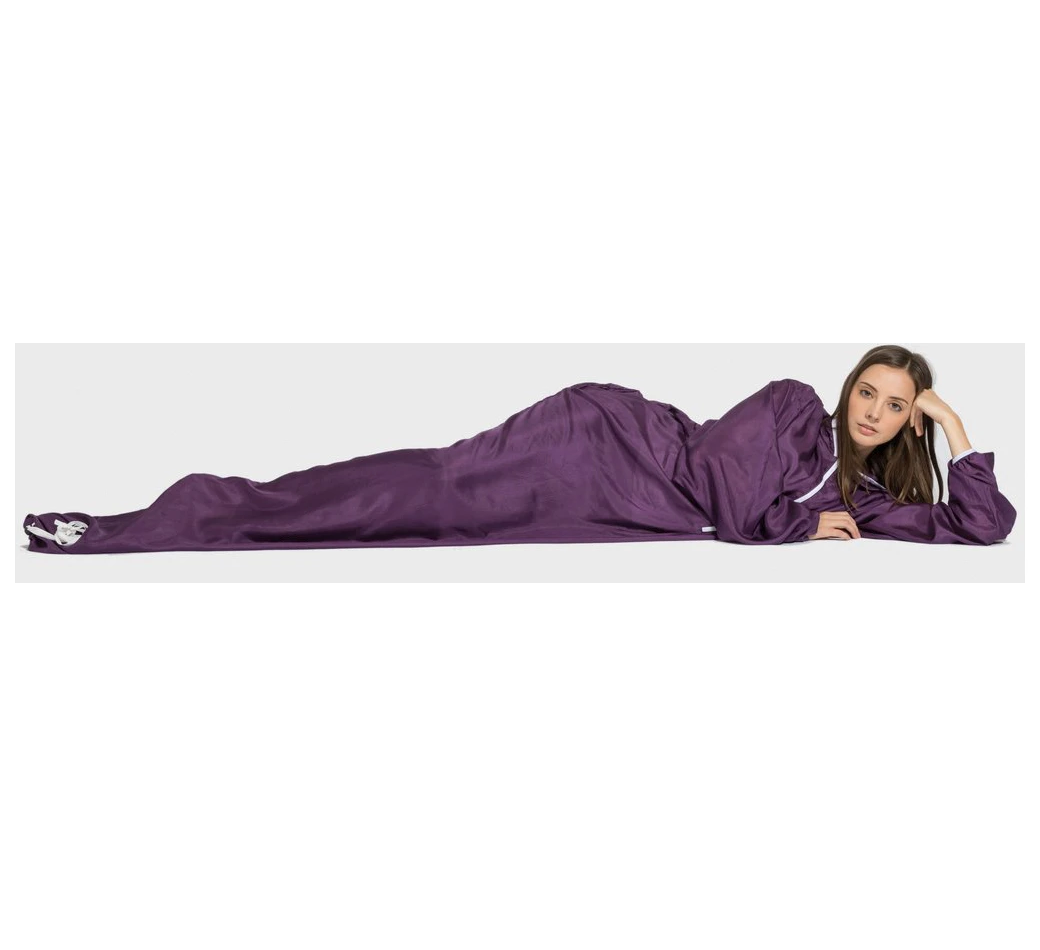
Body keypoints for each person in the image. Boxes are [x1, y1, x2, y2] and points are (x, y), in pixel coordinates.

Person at [23, 345, 1016, 554]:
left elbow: (982, 527)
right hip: (598, 443)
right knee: (416, 493)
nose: (874, 411)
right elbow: (725, 488)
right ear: (846, 387)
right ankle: (145, 521)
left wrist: (958, 429)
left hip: (606, 502)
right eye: (869, 392)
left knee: (417, 515)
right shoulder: (792, 405)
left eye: (896, 406)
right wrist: (797, 528)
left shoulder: (862, 497)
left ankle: (195, 514)